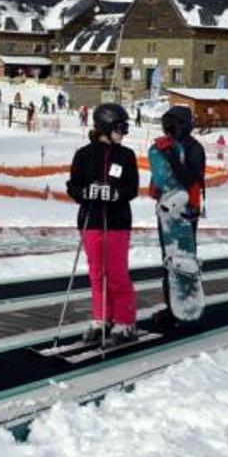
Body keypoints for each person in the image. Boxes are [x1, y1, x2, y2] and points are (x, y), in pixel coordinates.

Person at [66, 104, 139, 347]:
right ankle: (102, 318)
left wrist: (116, 193)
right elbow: (73, 186)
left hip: (117, 222)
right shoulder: (84, 154)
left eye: (125, 127)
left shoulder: (126, 155)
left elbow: (132, 188)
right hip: (92, 220)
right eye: (121, 127)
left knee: (116, 273)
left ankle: (125, 320)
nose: (124, 132)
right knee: (97, 273)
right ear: (106, 127)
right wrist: (85, 191)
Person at [149, 106, 206, 326]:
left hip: (186, 210)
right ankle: (174, 305)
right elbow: (164, 178)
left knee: (184, 258)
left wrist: (171, 156)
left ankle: (189, 302)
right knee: (170, 258)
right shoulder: (168, 145)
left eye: (171, 126)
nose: (168, 131)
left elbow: (189, 179)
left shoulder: (194, 148)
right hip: (167, 208)